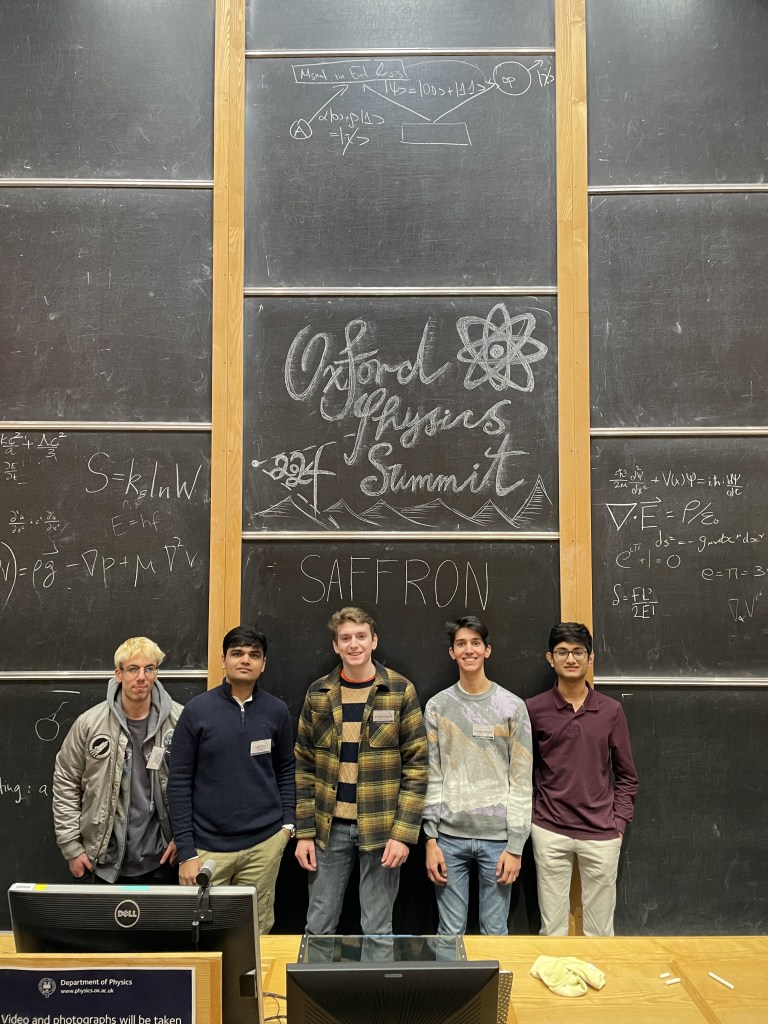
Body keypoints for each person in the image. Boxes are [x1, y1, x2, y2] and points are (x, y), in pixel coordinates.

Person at [294, 606, 428, 935]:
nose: (353, 644)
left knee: (378, 929)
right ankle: (315, 974)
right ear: (335, 646)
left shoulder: (399, 690)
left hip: (382, 829)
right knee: (318, 926)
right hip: (328, 831)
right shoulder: (318, 694)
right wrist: (304, 832)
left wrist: (403, 834)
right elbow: (304, 765)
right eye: (345, 638)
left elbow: (417, 766)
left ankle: (376, 975)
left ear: (374, 641)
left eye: (360, 636)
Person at [167, 624, 295, 934]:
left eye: (254, 655)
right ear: (223, 659)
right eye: (237, 653)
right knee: (202, 933)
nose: (245, 660)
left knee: (257, 931)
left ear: (263, 664)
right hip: (208, 850)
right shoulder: (197, 711)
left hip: (264, 845)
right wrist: (186, 852)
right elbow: (179, 782)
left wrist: (287, 826)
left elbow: (286, 769)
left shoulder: (277, 711)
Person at [526, 622, 639, 936]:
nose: (571, 659)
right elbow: (521, 770)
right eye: (562, 652)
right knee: (552, 931)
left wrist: (618, 824)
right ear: (550, 658)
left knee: (600, 933)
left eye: (578, 652)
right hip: (549, 830)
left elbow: (627, 775)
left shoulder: (611, 711)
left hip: (601, 833)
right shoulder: (533, 709)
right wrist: (534, 819)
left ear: (590, 658)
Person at [422, 616, 532, 935]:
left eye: (475, 643)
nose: (468, 650)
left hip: (499, 840)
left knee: (495, 932)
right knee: (449, 932)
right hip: (448, 838)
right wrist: (430, 839)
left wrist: (516, 845)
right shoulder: (437, 707)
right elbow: (432, 775)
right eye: (461, 644)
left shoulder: (512, 707)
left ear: (487, 650)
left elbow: (521, 781)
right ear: (452, 653)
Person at [52, 636, 181, 884]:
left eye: (149, 668)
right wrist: (71, 847)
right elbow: (66, 782)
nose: (141, 677)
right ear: (118, 674)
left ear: (156, 672)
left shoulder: (180, 721)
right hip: (101, 862)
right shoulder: (89, 724)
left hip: (164, 861)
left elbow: (199, 783)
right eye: (133, 669)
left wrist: (184, 839)